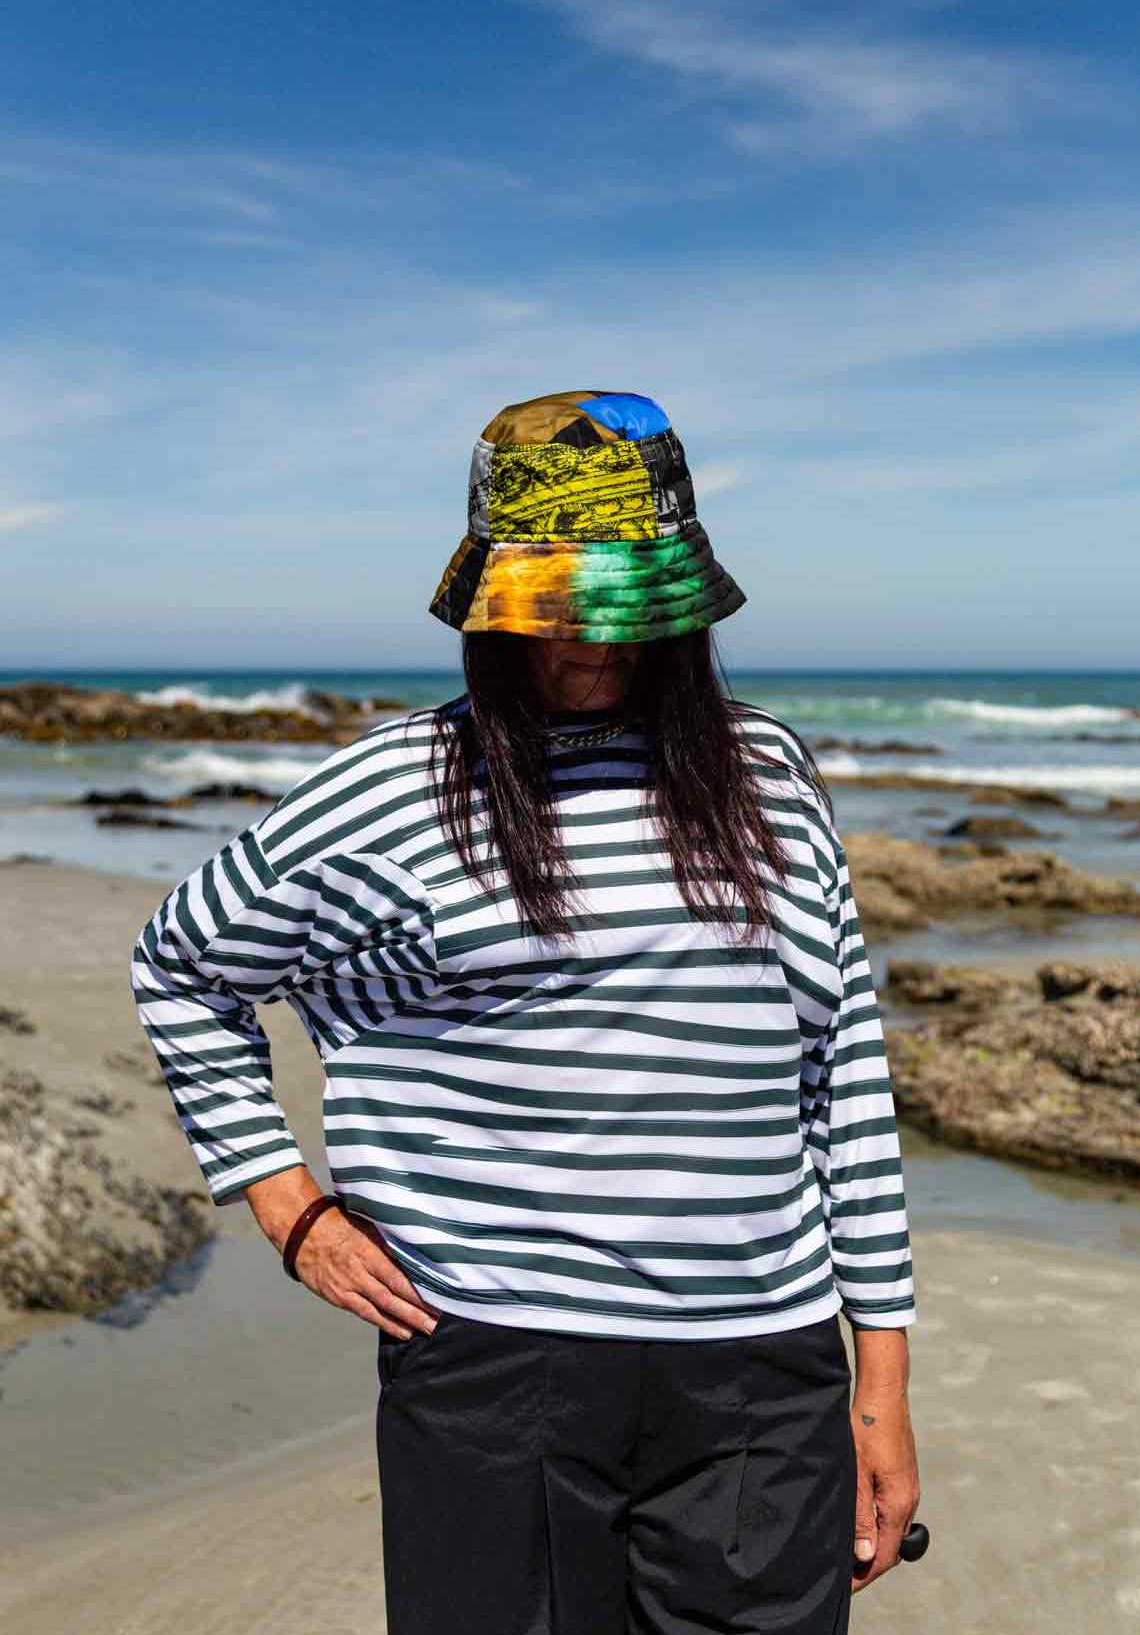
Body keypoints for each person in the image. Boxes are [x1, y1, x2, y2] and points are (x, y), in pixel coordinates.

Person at [130, 389, 920, 1634]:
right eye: (554, 615)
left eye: (627, 610)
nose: (592, 645)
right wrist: (292, 1211)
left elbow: (846, 1082)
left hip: (764, 1374)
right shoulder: (403, 786)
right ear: (492, 615)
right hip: (499, 1366)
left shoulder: (766, 772)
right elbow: (182, 964)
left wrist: (880, 1387)